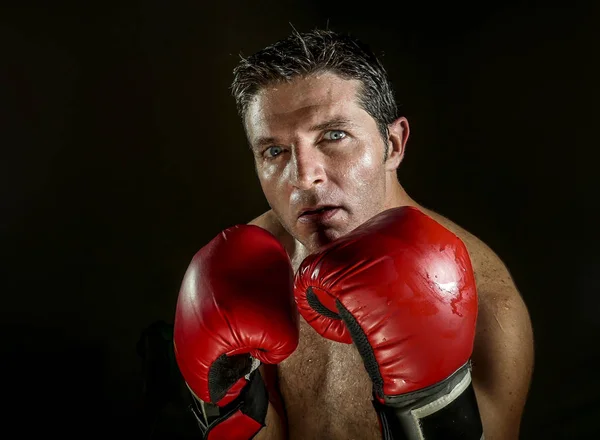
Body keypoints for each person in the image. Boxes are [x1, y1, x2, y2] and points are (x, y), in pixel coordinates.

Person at [173, 29, 534, 440]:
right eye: (274, 151)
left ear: (393, 144)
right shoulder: (249, 269)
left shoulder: (485, 305)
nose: (304, 177)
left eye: (333, 136)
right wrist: (227, 405)